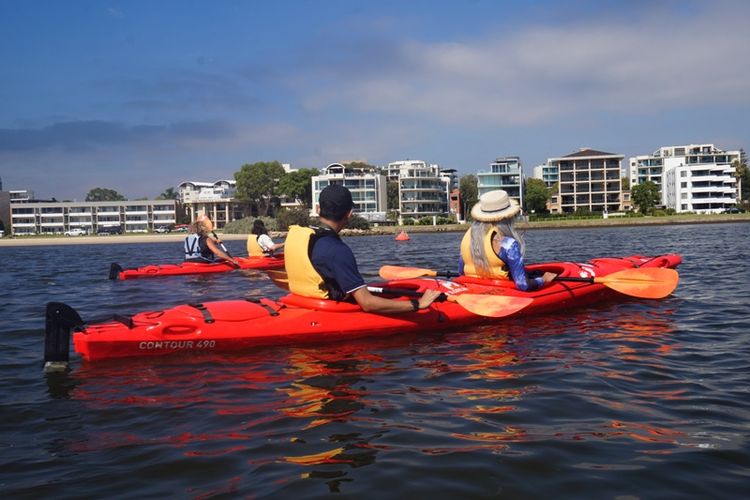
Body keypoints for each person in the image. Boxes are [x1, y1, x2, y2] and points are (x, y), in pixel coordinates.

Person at [285, 184, 441, 313]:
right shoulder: (337, 250)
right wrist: (417, 304)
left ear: (318, 209)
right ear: (350, 213)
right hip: (330, 312)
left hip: (301, 302)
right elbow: (367, 303)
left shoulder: (302, 237)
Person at [459, 189, 556, 291]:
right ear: (508, 217)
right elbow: (523, 285)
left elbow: (461, 272)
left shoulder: (468, 238)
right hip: (502, 293)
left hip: (472, 289)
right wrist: (543, 280)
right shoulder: (508, 244)